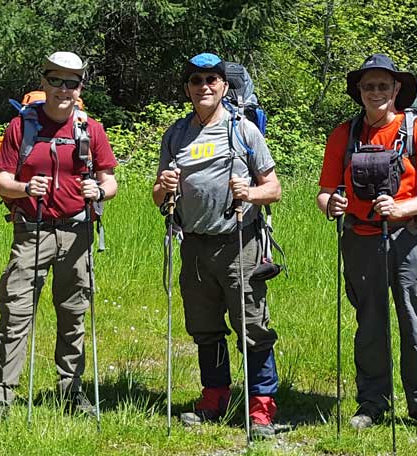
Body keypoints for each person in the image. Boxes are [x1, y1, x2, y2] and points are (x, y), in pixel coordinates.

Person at [0, 51, 118, 432]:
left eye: (71, 83)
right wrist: (25, 187)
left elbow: (111, 181)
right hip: (32, 229)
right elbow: (2, 179)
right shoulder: (21, 127)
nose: (63, 89)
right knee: (16, 312)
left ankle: (70, 390)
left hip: (77, 232)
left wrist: (98, 192)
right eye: (56, 81)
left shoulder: (92, 129)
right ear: (44, 82)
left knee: (73, 313)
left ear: (80, 88)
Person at [317, 53, 417, 439]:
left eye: (383, 86)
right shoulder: (344, 134)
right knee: (369, 324)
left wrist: (402, 207)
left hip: (410, 239)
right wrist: (332, 205)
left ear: (396, 90)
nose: (375, 92)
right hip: (359, 238)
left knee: (415, 324)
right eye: (368, 86)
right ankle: (372, 404)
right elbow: (325, 193)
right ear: (359, 92)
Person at [153, 53, 282, 439]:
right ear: (187, 88)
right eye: (196, 80)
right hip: (192, 243)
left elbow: (273, 189)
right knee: (205, 327)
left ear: (224, 86)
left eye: (212, 79)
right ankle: (215, 398)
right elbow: (159, 197)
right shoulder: (176, 134)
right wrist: (164, 187)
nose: (204, 86)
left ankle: (262, 408)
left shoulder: (243, 131)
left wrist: (251, 193)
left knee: (251, 325)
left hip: (239, 242)